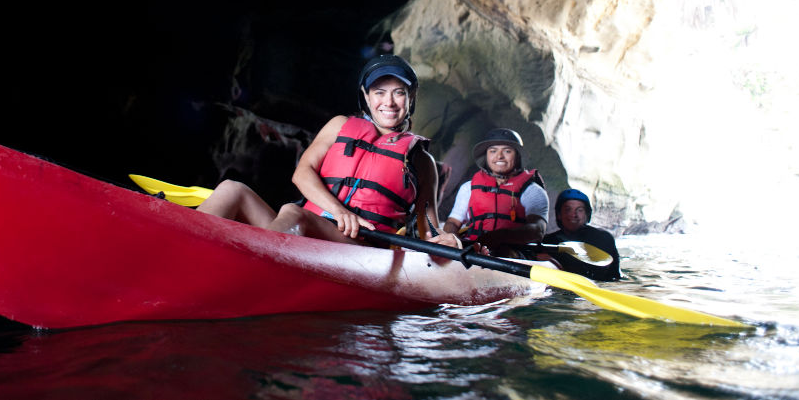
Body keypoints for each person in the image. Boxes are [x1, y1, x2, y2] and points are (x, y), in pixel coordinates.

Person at [196, 54, 445, 246]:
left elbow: (430, 230)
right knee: (232, 189)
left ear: (410, 97)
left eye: (398, 93)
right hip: (307, 229)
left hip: (359, 247)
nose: (388, 102)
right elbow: (302, 173)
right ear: (367, 98)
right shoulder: (339, 125)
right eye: (379, 92)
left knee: (293, 213)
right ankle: (183, 247)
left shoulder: (422, 161)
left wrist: (445, 239)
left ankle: (248, 266)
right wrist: (339, 211)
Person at [438, 129, 549, 257]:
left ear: (517, 156)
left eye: (507, 151)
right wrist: (453, 240)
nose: (499, 156)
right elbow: (452, 223)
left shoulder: (532, 191)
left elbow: (538, 230)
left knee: (503, 252)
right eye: (493, 151)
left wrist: (499, 236)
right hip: (471, 250)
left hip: (514, 253)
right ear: (486, 156)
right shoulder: (468, 188)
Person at [543, 188, 621, 281]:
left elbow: (612, 274)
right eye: (568, 210)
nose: (574, 215)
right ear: (559, 214)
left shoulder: (603, 238)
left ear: (587, 214)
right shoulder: (548, 241)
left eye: (579, 210)